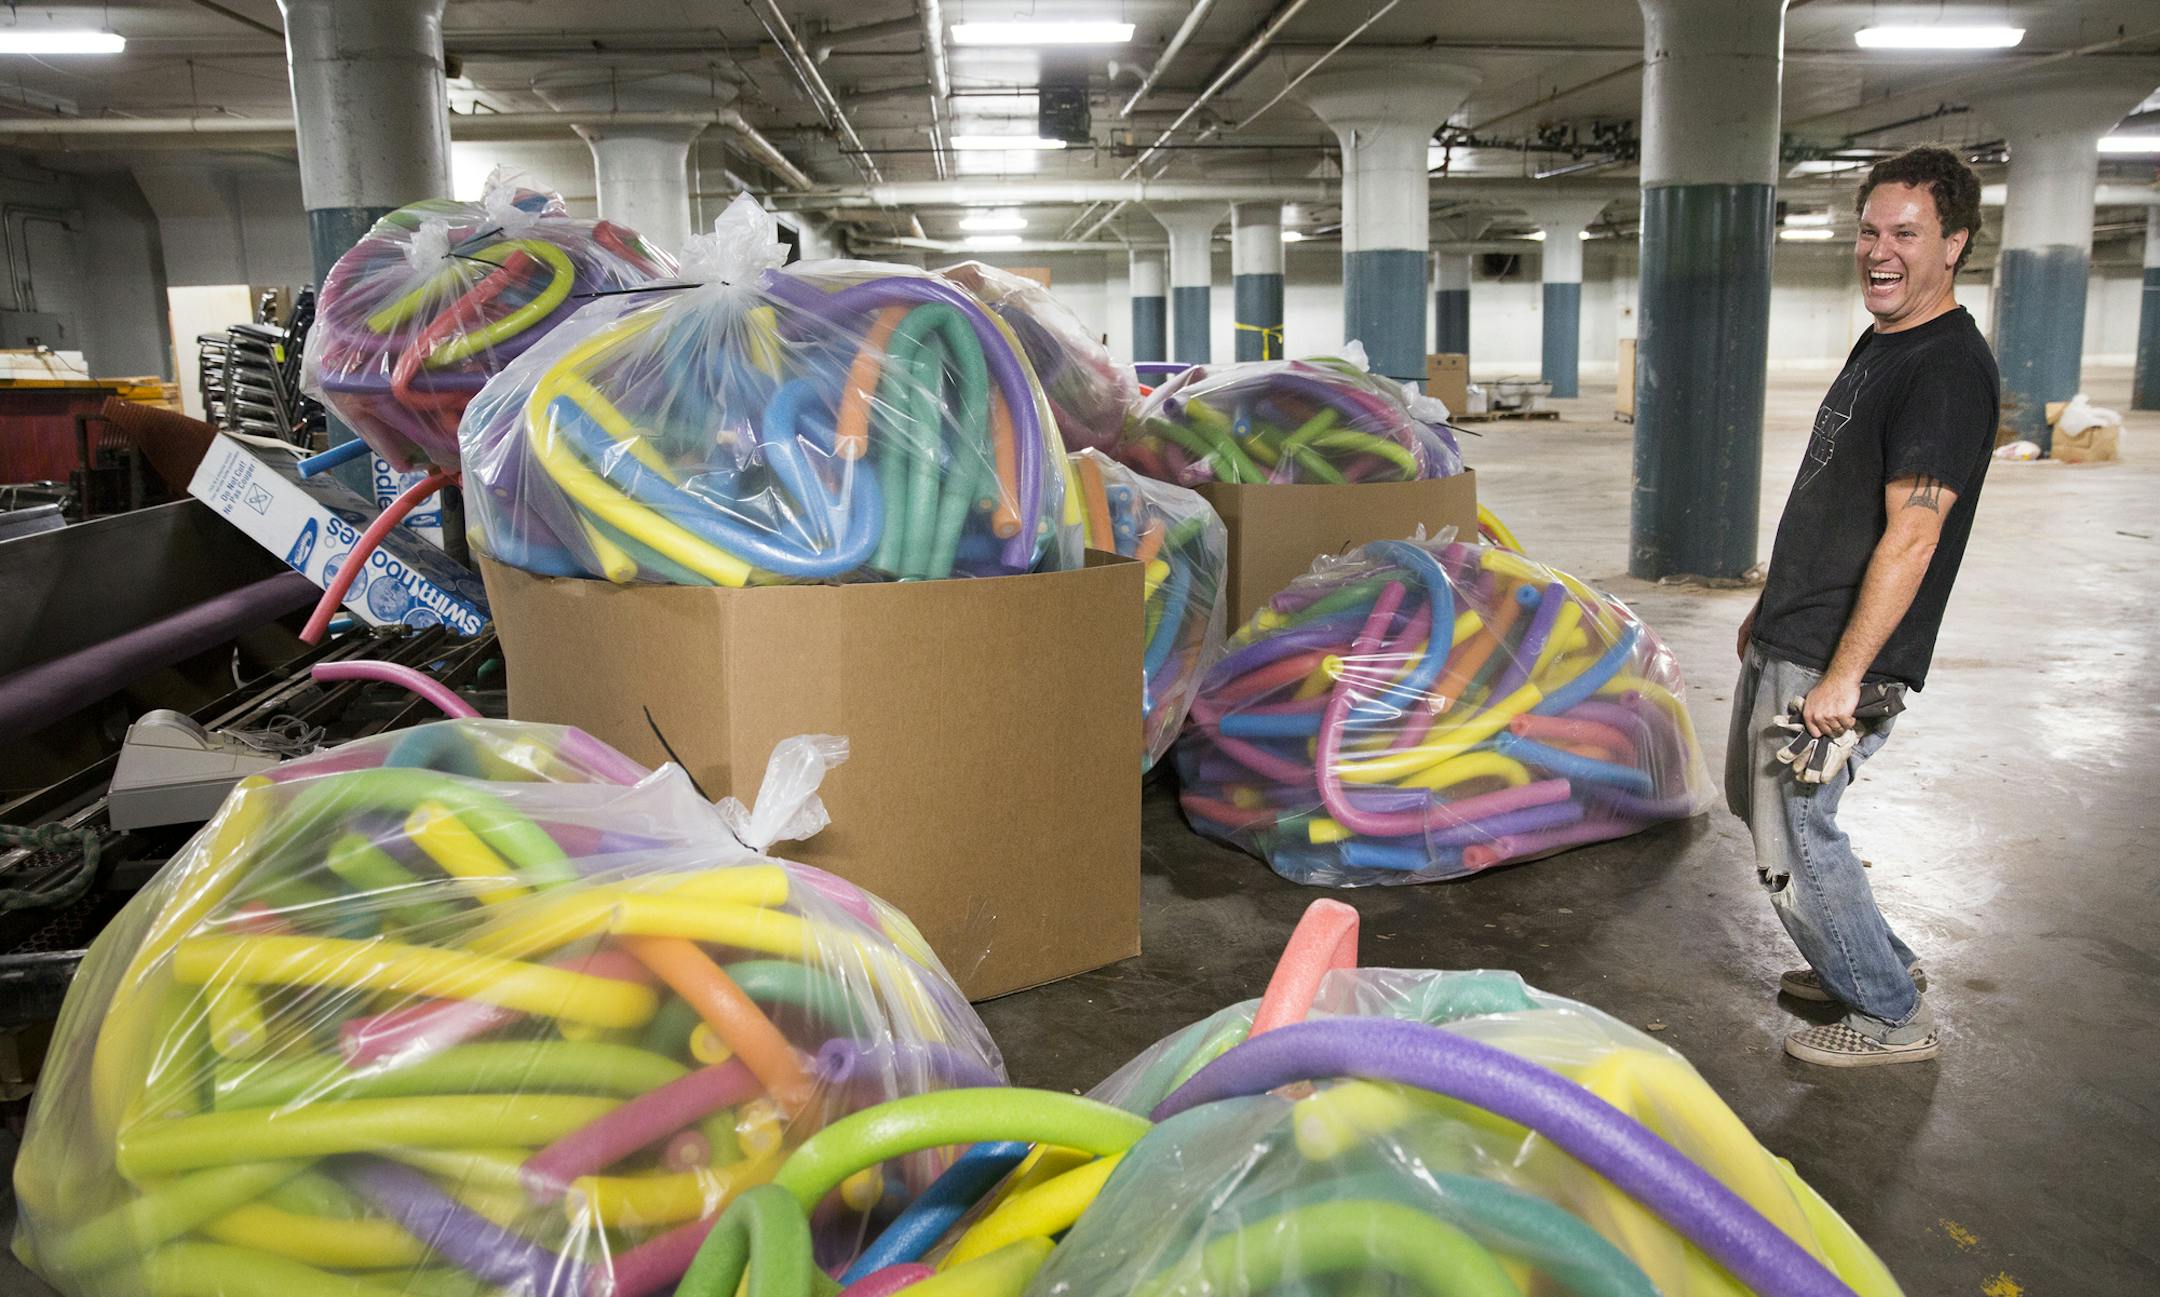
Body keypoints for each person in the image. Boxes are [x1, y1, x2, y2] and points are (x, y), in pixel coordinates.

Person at [1730, 146, 1999, 1068]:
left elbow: (1913, 534)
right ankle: (1869, 960)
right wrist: (1770, 603)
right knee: (1759, 806)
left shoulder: (1947, 369)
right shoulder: (1885, 339)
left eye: (1907, 234)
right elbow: (1829, 493)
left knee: (1798, 829)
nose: (1879, 251)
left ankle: (1888, 1015)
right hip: (1797, 626)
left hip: (1841, 652)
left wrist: (1845, 671)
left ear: (1954, 244)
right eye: (1870, 231)